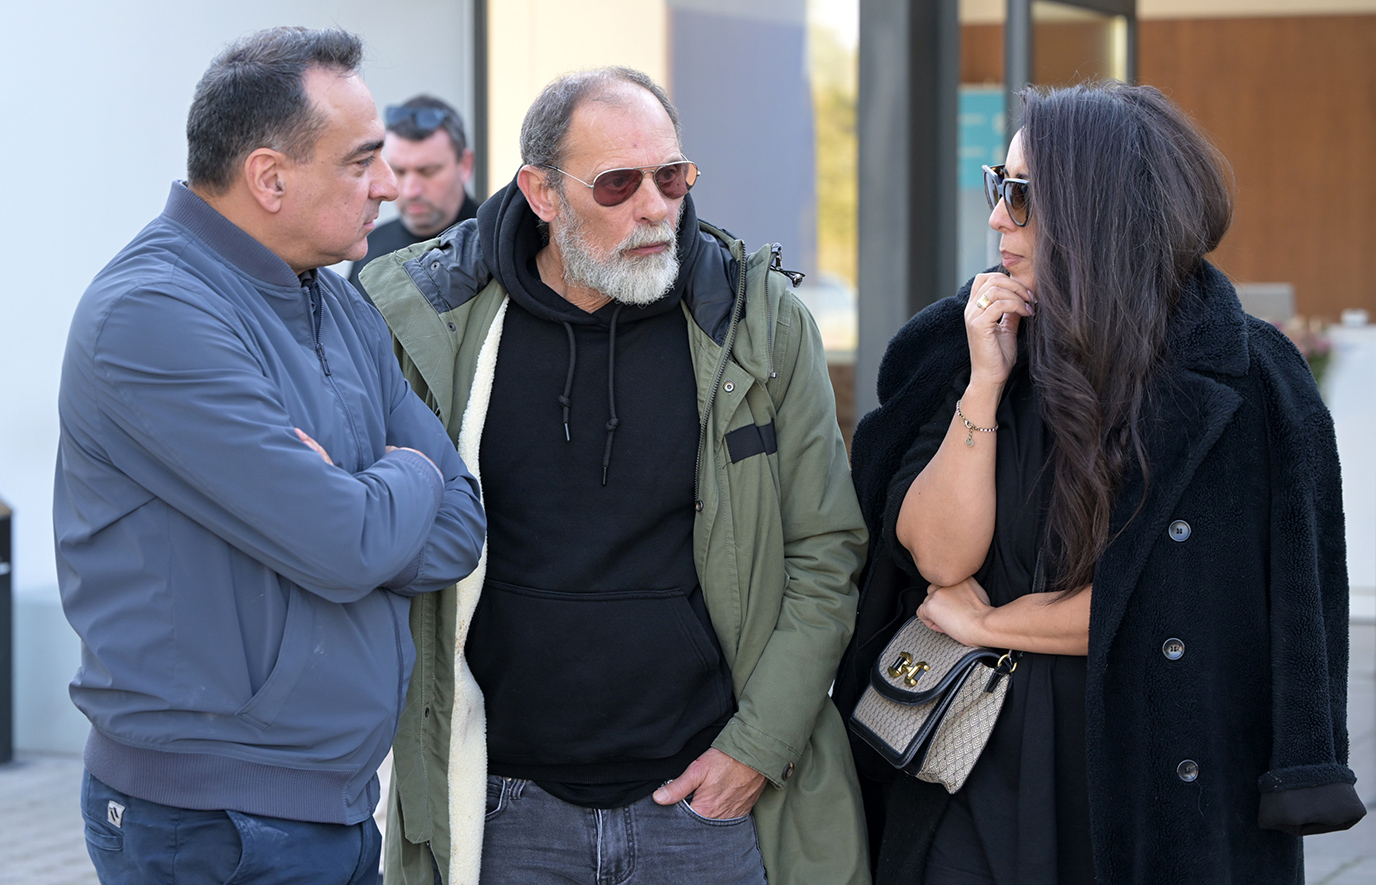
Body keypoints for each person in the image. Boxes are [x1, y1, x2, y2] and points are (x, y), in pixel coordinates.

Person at [833, 81, 1365, 884]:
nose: (996, 218)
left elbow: (1190, 605)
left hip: (1153, 782)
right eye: (997, 185)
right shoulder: (968, 345)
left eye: (1020, 195)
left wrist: (991, 623)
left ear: (1097, 210)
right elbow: (939, 560)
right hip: (971, 769)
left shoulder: (1245, 379)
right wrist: (984, 383)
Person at [358, 67, 870, 885]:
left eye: (672, 177)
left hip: (704, 804)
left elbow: (825, 552)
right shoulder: (427, 322)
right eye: (618, 184)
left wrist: (755, 749)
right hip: (500, 806)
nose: (655, 207)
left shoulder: (757, 321)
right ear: (542, 192)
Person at [54, 27, 487, 885]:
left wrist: (361, 494)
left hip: (333, 804)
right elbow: (346, 544)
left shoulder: (339, 303)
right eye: (361, 162)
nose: (387, 186)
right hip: (211, 826)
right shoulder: (152, 313)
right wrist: (408, 471)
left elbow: (459, 527)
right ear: (269, 177)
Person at [347, 94, 478, 294]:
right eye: (399, 171)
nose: (410, 191)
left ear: (465, 165)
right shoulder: (370, 247)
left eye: (428, 171)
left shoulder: (495, 247)